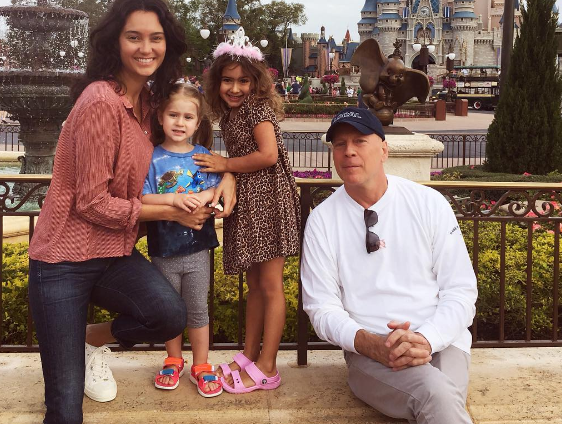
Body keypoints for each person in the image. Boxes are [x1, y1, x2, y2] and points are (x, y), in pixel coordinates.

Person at [28, 0, 236, 424]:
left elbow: (182, 157)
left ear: (168, 44)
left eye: (156, 38)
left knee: (168, 314)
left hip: (111, 254)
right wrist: (171, 212)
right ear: (115, 43)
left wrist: (228, 174)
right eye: (134, 37)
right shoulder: (101, 102)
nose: (146, 48)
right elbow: (90, 202)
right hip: (63, 259)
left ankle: (85, 340)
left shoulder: (148, 107)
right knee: (66, 409)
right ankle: (69, 348)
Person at [301, 107, 477, 423]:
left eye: (359, 141)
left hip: (443, 340)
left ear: (384, 149)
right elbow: (321, 307)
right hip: (371, 352)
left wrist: (426, 338)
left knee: (439, 397)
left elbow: (460, 290)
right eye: (339, 144)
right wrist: (369, 342)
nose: (349, 151)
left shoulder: (428, 203)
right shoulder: (323, 220)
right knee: (437, 396)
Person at [193, 35, 300, 394]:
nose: (235, 88)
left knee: (270, 286)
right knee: (254, 286)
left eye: (243, 80)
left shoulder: (255, 110)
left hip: (269, 202)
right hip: (252, 203)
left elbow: (268, 155)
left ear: (256, 82)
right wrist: (228, 172)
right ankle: (250, 354)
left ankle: (268, 365)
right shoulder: (232, 114)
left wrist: (225, 164)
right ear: (216, 82)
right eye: (227, 80)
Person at [142, 83, 223, 398]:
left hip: (197, 248)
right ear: (161, 116)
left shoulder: (202, 156)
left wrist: (203, 194)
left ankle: (200, 365)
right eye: (173, 114)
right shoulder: (153, 158)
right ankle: (173, 359)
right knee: (172, 310)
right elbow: (143, 197)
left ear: (198, 121)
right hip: (163, 249)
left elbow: (217, 185)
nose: (179, 122)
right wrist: (174, 202)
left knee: (197, 309)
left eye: (187, 116)